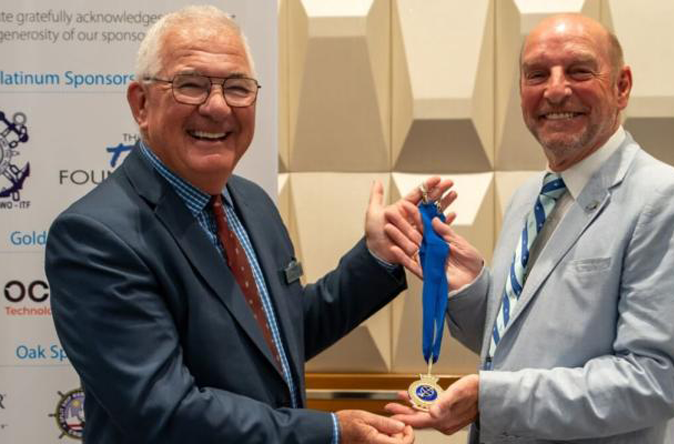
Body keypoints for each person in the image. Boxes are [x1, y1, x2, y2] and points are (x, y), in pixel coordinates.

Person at [45, 6, 453, 443]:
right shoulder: (95, 237)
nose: (218, 106)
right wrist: (331, 431)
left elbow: (279, 337)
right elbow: (163, 410)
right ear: (141, 104)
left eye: (237, 87)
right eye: (191, 85)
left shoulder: (252, 202)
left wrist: (376, 256)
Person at [385, 14, 674, 443]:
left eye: (579, 70)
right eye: (537, 74)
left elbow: (652, 381)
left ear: (622, 87)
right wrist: (470, 289)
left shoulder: (670, 202)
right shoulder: (528, 198)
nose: (556, 89)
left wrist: (491, 399)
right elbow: (522, 349)